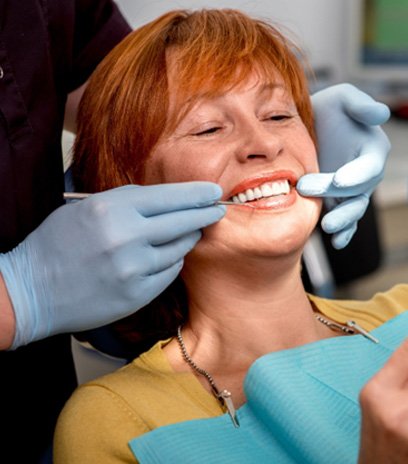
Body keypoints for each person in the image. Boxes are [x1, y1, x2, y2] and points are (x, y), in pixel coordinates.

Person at [0, 2, 390, 463]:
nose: (265, 144)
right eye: (207, 128)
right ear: (128, 189)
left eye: (280, 116)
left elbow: (126, 90)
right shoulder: (115, 423)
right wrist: (15, 296)